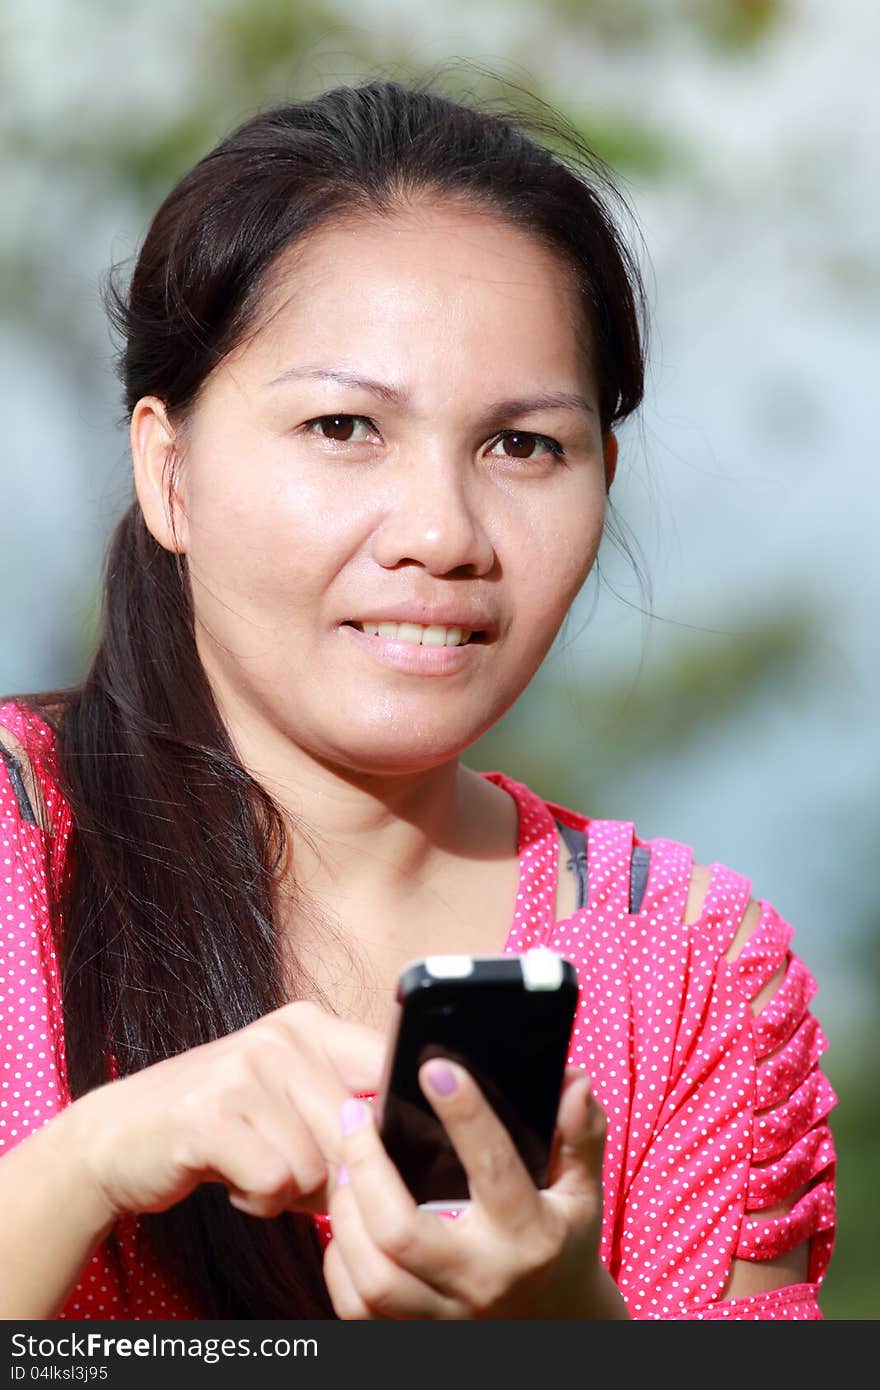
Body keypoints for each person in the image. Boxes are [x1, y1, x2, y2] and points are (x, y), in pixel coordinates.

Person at [0, 76, 836, 1321]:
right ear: (166, 470)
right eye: (344, 427)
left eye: (523, 447)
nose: (444, 534)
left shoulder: (694, 976)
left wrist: (561, 1322)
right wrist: (85, 1166)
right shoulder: (20, 861)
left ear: (602, 479)